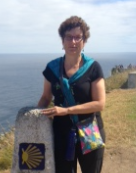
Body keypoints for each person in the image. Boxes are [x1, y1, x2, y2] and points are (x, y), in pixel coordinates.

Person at [37, 16, 106, 173]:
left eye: (77, 37)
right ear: (62, 41)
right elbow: (46, 97)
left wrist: (66, 110)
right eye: (69, 37)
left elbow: (100, 103)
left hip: (90, 130)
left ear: (84, 41)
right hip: (62, 133)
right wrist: (36, 114)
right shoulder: (52, 68)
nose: (73, 42)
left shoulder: (93, 68)